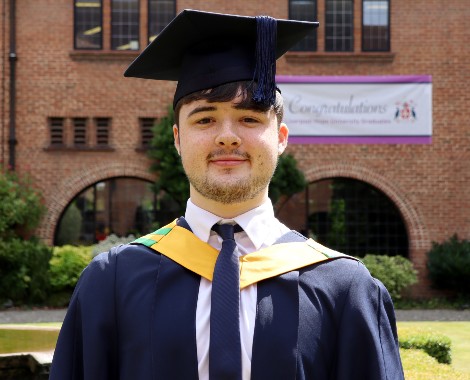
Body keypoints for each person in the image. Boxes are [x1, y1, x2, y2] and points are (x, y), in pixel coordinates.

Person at [50, 9, 404, 380]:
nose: (227, 136)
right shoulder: (110, 283)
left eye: (250, 118)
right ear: (177, 138)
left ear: (281, 139)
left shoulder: (346, 289)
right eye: (205, 119)